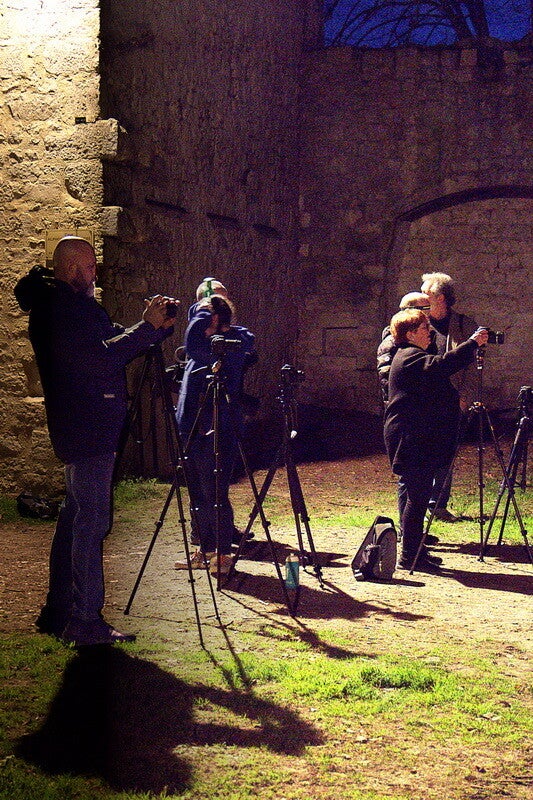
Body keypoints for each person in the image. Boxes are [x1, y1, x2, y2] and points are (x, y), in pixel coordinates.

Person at [14, 236, 176, 646]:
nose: (95, 274)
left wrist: (151, 328)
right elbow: (100, 357)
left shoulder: (68, 307)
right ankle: (85, 619)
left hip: (82, 426)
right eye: (89, 266)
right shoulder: (61, 310)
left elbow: (111, 340)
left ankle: (59, 610)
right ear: (72, 269)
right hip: (86, 427)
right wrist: (145, 329)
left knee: (75, 517)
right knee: (91, 523)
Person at [383, 308, 488, 570]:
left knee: (418, 495)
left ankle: (415, 550)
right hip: (410, 438)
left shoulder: (414, 355)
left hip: (416, 437)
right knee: (417, 497)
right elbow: (443, 365)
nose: (429, 332)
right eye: (423, 328)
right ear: (410, 334)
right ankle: (410, 556)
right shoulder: (409, 356)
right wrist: (472, 343)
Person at [174, 293, 256, 577]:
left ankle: (222, 554)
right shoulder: (201, 348)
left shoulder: (233, 344)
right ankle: (205, 550)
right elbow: (192, 345)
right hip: (191, 427)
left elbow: (194, 345)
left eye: (204, 319)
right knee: (197, 492)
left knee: (215, 492)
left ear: (218, 319)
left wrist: (203, 316)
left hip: (219, 428)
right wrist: (201, 315)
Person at [420, 272, 479, 522]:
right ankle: (418, 503)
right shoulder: (418, 323)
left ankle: (438, 504)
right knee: (422, 452)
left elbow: (474, 367)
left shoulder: (465, 326)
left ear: (440, 297)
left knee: (446, 453)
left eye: (426, 293)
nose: (422, 297)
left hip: (451, 399)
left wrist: (465, 397)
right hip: (423, 400)